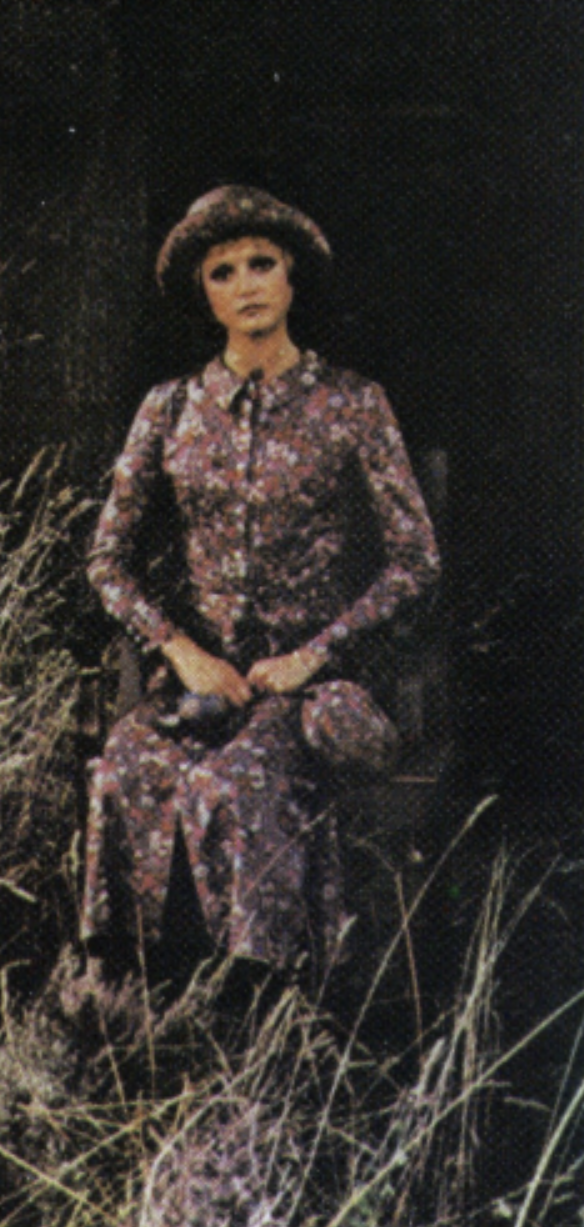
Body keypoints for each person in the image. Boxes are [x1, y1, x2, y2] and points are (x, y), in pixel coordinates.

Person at [82, 186, 440, 981]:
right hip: (204, 682)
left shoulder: (351, 403)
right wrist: (178, 650)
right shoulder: (171, 409)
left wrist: (316, 655)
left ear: (291, 277)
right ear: (203, 293)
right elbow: (106, 558)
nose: (245, 285)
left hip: (316, 686)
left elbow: (416, 559)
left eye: (261, 264)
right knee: (122, 764)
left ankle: (260, 998)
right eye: (223, 272)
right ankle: (129, 989)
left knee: (234, 783)